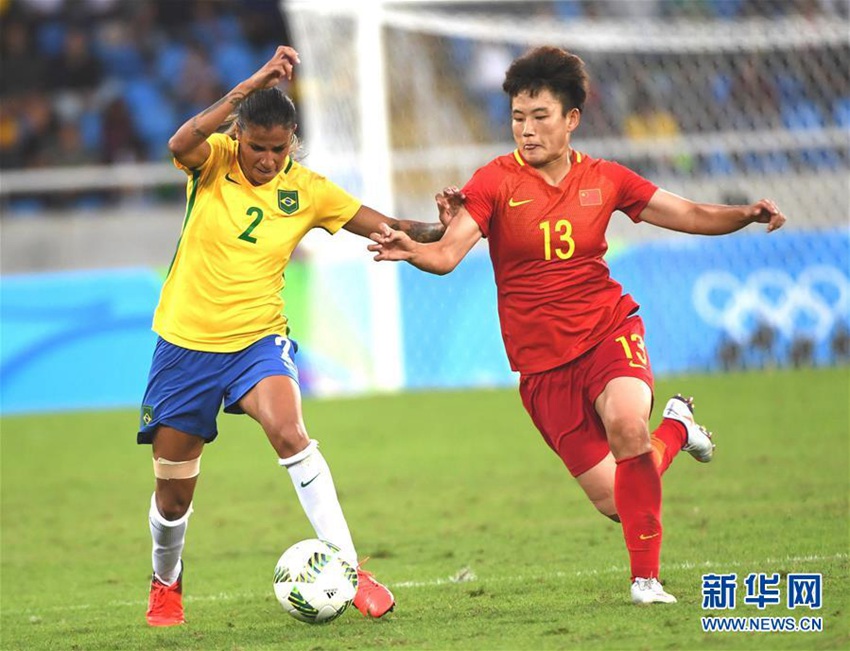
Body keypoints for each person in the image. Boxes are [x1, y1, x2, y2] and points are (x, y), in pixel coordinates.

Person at [368, 46, 786, 605]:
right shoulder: (493, 183)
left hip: (608, 331)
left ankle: (646, 582)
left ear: (572, 120)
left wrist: (742, 216)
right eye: (518, 117)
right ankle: (679, 429)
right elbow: (446, 256)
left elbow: (683, 212)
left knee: (626, 426)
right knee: (621, 502)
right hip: (542, 368)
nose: (527, 130)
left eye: (540, 117)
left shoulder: (605, 178)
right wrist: (410, 252)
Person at [139, 45, 450, 626]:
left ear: (293, 142)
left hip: (258, 340)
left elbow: (386, 224)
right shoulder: (212, 161)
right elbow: (179, 142)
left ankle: (351, 570)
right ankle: (165, 580)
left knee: (290, 431)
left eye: (277, 149)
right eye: (256, 147)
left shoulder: (307, 189)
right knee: (173, 496)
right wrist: (249, 83)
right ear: (240, 135)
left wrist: (443, 226)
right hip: (184, 346)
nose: (264, 159)